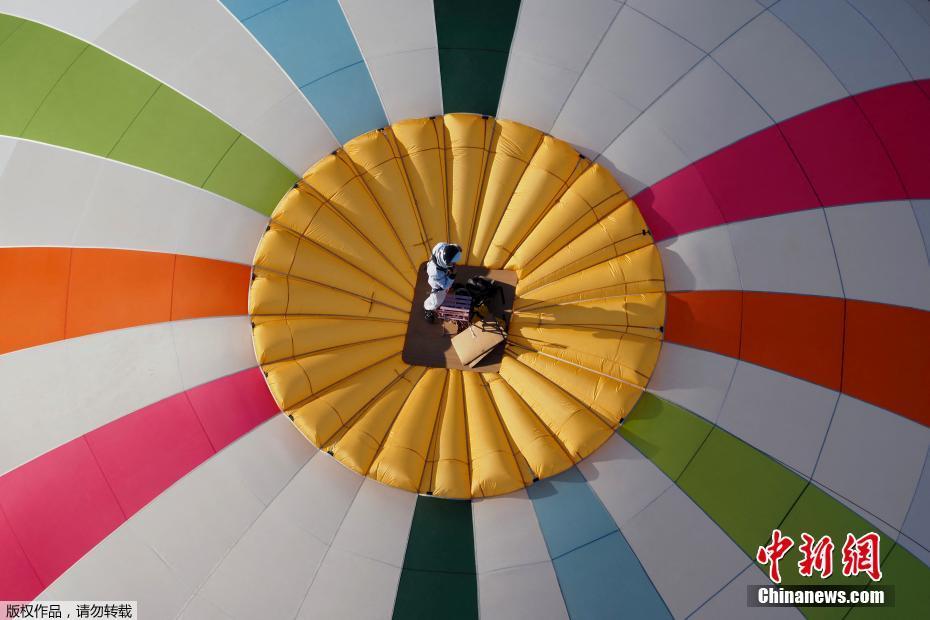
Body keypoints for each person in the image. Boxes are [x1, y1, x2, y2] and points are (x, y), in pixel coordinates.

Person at [423, 242, 462, 322]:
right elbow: (445, 286)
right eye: (452, 262)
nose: (454, 264)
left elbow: (450, 247)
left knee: (448, 281)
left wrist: (456, 248)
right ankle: (428, 308)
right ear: (446, 262)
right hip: (438, 285)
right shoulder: (436, 273)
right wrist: (452, 275)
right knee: (437, 301)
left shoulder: (440, 246)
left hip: (439, 271)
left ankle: (450, 281)